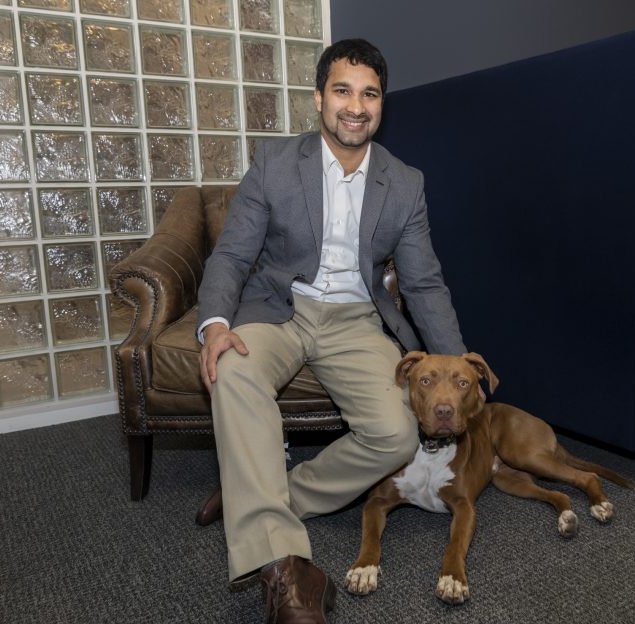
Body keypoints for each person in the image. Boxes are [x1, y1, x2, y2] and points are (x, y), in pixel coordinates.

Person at [196, 39, 466, 623]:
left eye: (369, 94)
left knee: (396, 433)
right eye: (342, 90)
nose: (355, 105)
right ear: (319, 97)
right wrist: (216, 325)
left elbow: (423, 285)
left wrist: (455, 369)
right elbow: (232, 257)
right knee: (234, 370)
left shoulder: (405, 182)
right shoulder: (274, 162)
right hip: (279, 307)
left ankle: (265, 493)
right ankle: (287, 568)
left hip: (356, 321)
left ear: (381, 105)